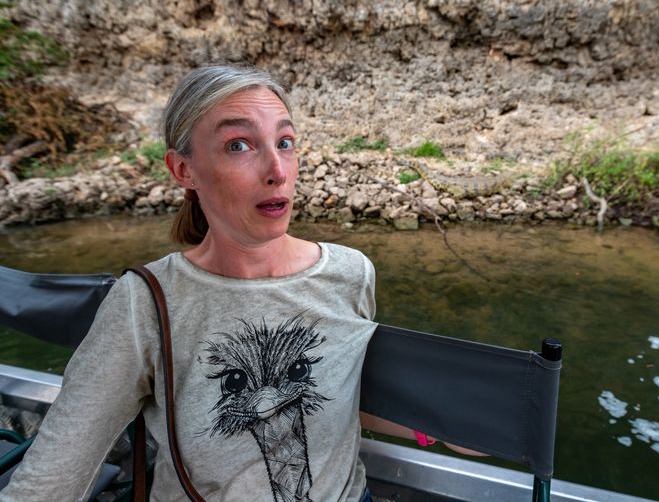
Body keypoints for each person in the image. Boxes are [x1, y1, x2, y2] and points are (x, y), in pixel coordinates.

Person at [1, 64, 461, 502]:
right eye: (239, 145)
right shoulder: (144, 303)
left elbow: (340, 393)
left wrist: (446, 427)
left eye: (285, 142)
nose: (277, 171)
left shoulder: (350, 273)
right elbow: (53, 474)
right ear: (184, 170)